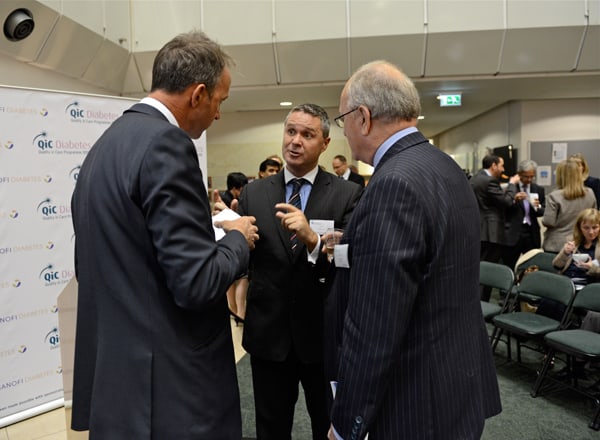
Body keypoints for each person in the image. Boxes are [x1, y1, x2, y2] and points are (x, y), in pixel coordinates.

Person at [70, 31, 259, 439]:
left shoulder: (104, 146)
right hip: (172, 392)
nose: (218, 115)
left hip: (120, 383)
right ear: (198, 94)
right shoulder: (166, 145)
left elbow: (101, 262)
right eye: (220, 102)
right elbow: (195, 283)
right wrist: (237, 238)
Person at [324, 61, 501, 440]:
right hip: (456, 382)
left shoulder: (393, 184)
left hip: (416, 400)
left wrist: (346, 422)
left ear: (363, 118)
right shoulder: (443, 165)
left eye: (343, 120)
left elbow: (374, 326)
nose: (345, 132)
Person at [237, 103, 363, 439]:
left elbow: (353, 261)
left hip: (323, 336)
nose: (295, 141)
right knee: (270, 428)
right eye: (291, 131)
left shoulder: (348, 194)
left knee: (328, 425)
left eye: (307, 134)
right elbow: (247, 260)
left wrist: (314, 242)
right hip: (269, 336)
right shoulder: (254, 192)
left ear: (325, 143)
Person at [470, 154, 519, 300]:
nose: (503, 169)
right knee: (488, 272)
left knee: (479, 269)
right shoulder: (490, 181)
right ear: (493, 166)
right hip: (491, 232)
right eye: (501, 165)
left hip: (479, 229)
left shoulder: (475, 178)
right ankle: (482, 302)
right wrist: (512, 184)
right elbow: (506, 202)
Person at [542, 159, 597, 252]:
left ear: (561, 176)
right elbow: (594, 217)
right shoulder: (590, 193)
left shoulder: (554, 196)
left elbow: (548, 222)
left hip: (557, 245)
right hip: (581, 242)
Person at [502, 160, 545, 271]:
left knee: (532, 266)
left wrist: (537, 206)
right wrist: (514, 200)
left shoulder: (538, 189)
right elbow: (503, 208)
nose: (529, 180)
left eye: (532, 177)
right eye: (526, 177)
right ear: (519, 174)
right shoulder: (510, 188)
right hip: (513, 232)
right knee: (509, 266)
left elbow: (542, 211)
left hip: (531, 232)